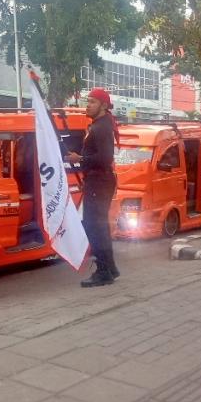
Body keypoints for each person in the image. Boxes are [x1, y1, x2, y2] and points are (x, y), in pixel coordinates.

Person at [65, 88, 120, 287]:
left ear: (104, 106)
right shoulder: (100, 125)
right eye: (87, 101)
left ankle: (103, 271)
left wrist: (80, 159)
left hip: (99, 180)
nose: (87, 105)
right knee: (98, 225)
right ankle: (110, 268)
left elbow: (105, 158)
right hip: (98, 180)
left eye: (92, 102)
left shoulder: (101, 127)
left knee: (94, 226)